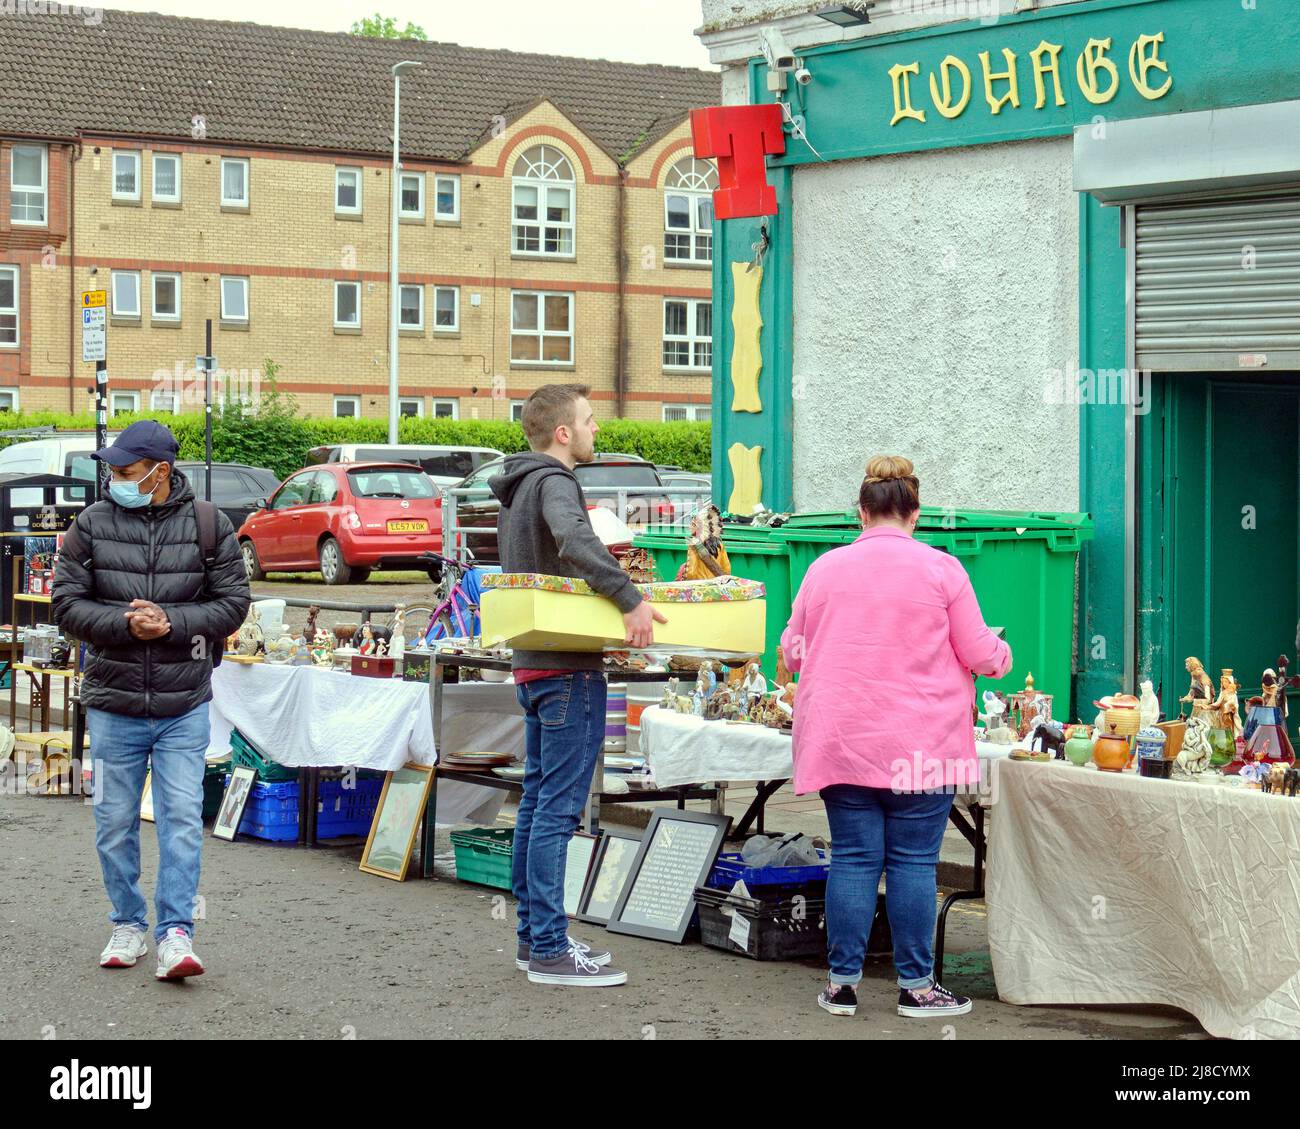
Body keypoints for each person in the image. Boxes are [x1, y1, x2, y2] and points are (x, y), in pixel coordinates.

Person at [780, 455, 1010, 1020]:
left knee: (854, 859)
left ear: (861, 513)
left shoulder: (824, 569)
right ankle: (916, 988)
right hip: (920, 745)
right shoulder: (943, 569)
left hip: (843, 739)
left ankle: (841, 986)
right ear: (915, 513)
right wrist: (1000, 658)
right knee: (912, 862)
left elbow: (792, 650)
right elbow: (980, 651)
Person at [51, 420, 251, 980]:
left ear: (160, 472)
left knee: (182, 819)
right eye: (112, 470)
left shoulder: (211, 525)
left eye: (125, 471)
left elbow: (234, 604)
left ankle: (176, 933)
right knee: (114, 821)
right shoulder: (91, 523)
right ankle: (128, 923)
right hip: (113, 700)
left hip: (183, 700)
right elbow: (65, 604)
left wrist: (168, 624)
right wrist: (122, 623)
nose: (114, 479)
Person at [489, 384, 665, 987]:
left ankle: (531, 940)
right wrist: (629, 596)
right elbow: (574, 538)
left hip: (532, 663)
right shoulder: (556, 482)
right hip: (569, 669)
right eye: (589, 422)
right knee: (557, 812)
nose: (595, 432)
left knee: (536, 805)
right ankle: (549, 950)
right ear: (562, 432)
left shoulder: (516, 488)